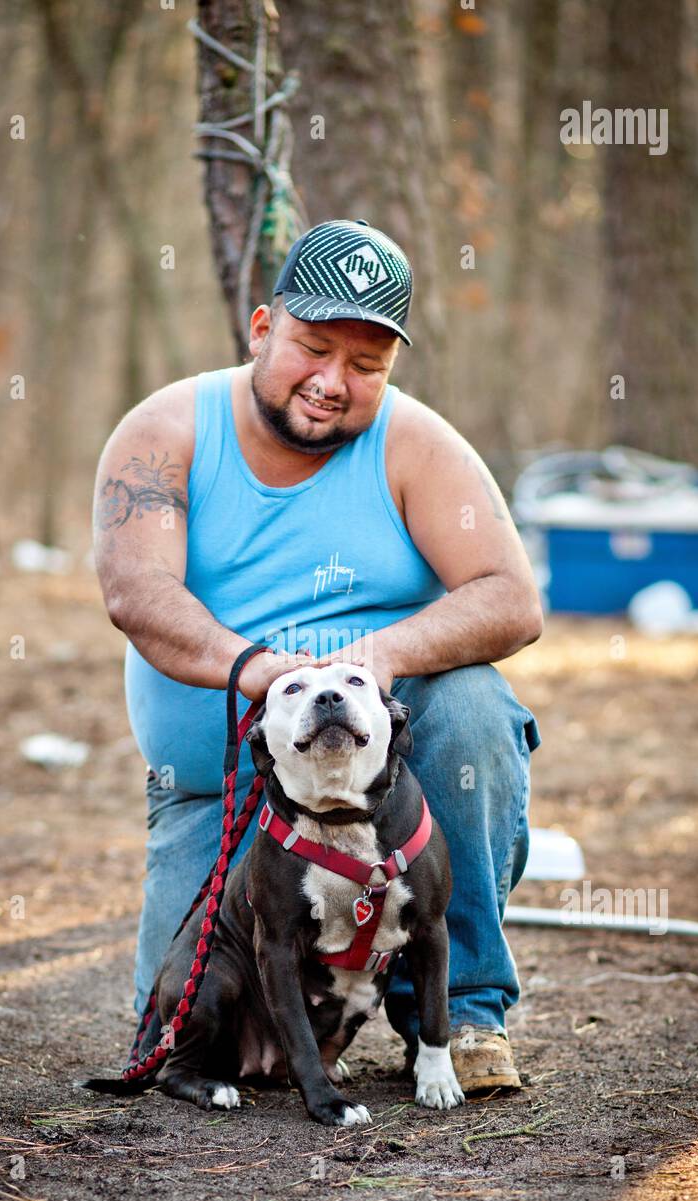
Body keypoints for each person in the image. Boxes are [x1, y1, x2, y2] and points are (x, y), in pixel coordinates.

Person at [93, 217, 543, 1094]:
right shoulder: (166, 431)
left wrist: (379, 656)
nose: (334, 382)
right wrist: (268, 674)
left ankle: (462, 1015)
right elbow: (137, 597)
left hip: (380, 782)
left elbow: (510, 596)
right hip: (223, 795)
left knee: (477, 710)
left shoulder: (419, 445)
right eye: (313, 347)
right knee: (203, 1040)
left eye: (367, 365)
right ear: (262, 328)